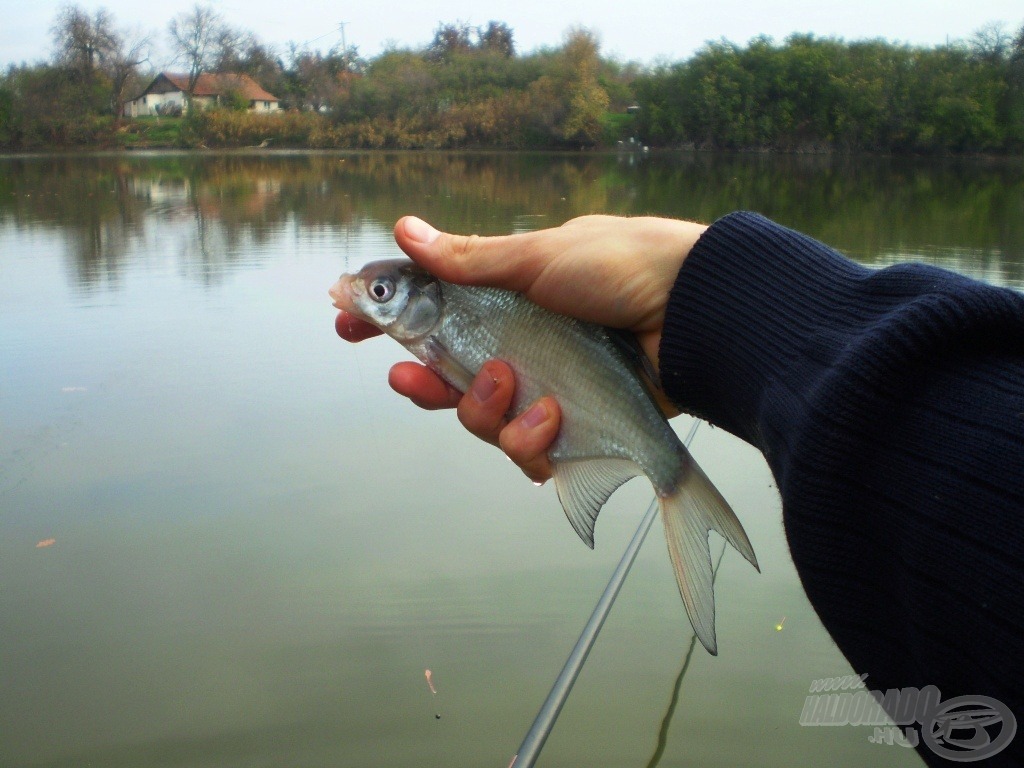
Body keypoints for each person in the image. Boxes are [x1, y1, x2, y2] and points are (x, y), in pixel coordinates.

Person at [335, 211, 1024, 766]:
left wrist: (699, 307)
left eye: (382, 293)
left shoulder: (459, 298)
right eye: (376, 293)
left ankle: (662, 474)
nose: (365, 297)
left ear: (427, 292)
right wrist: (710, 305)